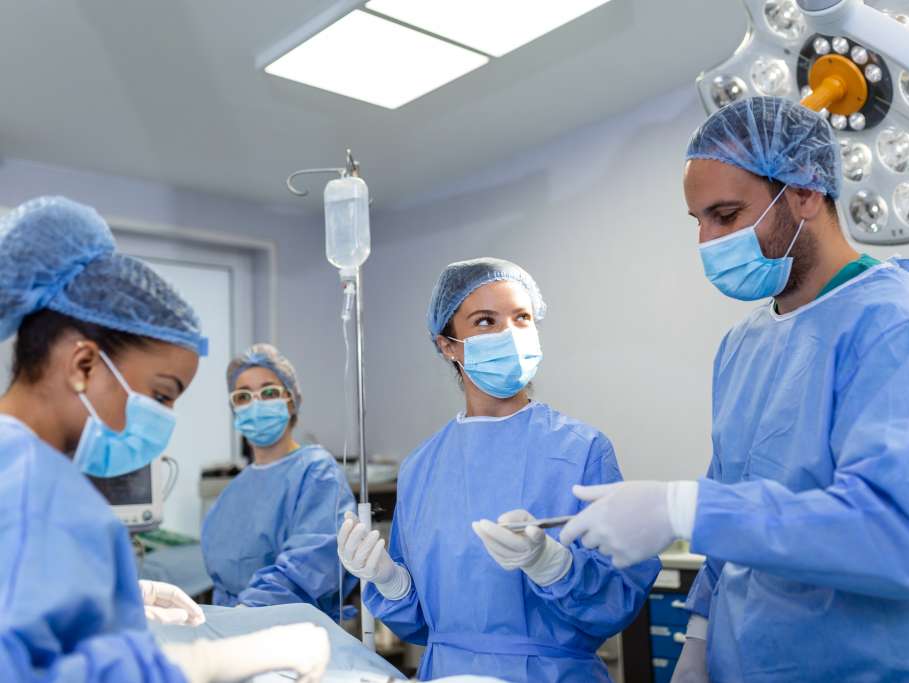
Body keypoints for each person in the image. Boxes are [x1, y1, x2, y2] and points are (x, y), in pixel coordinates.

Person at [561, 96, 909, 682]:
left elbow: (901, 536)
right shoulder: (744, 346)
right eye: (698, 221)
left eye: (725, 215)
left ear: (804, 194)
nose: (707, 242)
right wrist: (700, 637)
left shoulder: (901, 330)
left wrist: (684, 508)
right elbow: (736, 510)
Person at [0, 197, 329, 683]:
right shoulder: (38, 491)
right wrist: (206, 664)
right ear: (83, 364)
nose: (164, 419)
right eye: (161, 394)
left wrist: (121, 598)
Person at [338, 258, 661, 682]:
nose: (509, 333)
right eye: (486, 321)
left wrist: (554, 567)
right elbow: (420, 624)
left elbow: (619, 597)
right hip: (448, 674)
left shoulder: (582, 450)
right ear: (448, 345)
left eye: (521, 317)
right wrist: (390, 581)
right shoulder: (421, 468)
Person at [201, 343, 358, 620]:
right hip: (236, 629)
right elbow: (222, 582)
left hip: (294, 631)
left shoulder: (317, 473)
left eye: (269, 392)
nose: (256, 404)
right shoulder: (232, 492)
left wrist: (250, 611)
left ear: (291, 400)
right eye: (243, 396)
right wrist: (227, 623)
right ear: (234, 408)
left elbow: (312, 565)